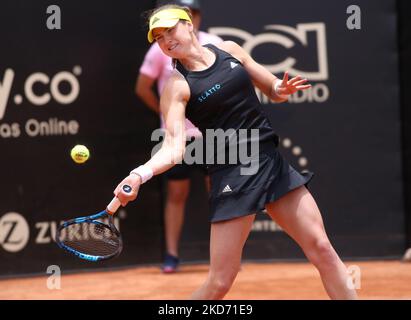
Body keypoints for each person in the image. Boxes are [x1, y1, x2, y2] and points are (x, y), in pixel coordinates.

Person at [116, 5, 358, 299]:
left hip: (270, 163)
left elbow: (271, 88)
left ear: (189, 24)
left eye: (170, 30)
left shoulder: (229, 49)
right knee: (220, 282)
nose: (166, 40)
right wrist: (139, 174)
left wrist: (281, 88)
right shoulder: (176, 87)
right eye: (159, 38)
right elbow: (173, 147)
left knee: (321, 248)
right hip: (233, 175)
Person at [135, 0, 223, 273]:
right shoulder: (160, 48)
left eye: (192, 12)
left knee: (219, 194)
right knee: (176, 192)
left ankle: (222, 258)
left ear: (193, 18)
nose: (190, 16)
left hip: (211, 133)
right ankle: (171, 255)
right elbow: (142, 87)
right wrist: (167, 111)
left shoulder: (216, 42)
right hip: (175, 136)